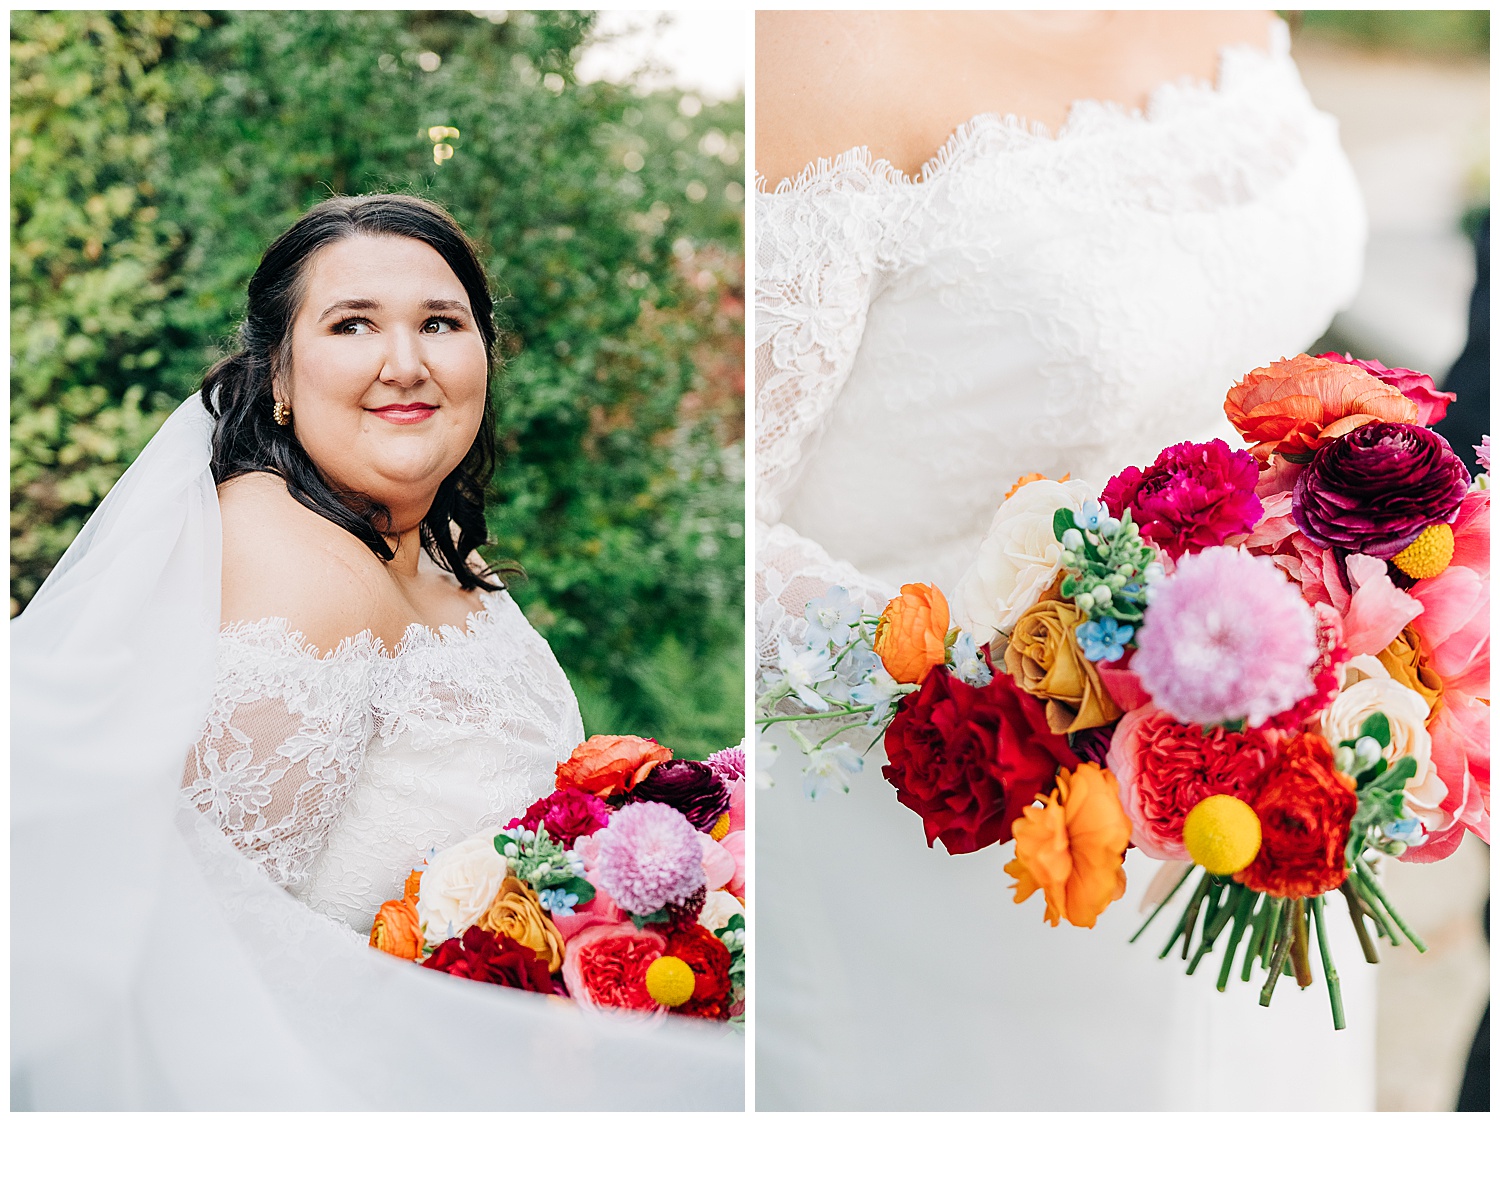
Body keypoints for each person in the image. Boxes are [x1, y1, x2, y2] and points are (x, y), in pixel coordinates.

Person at [755, 11, 1376, 1109]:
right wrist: (1060, 694)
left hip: (1274, 782)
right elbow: (723, 514)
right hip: (961, 836)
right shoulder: (820, 50)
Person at [12, 194, 742, 1109]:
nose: (407, 363)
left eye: (441, 322)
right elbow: (205, 954)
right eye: (353, 324)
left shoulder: (436, 547)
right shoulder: (298, 570)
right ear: (277, 375)